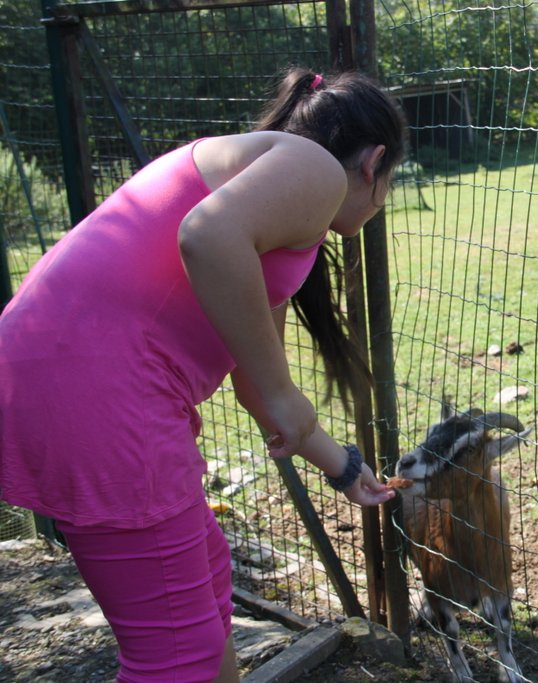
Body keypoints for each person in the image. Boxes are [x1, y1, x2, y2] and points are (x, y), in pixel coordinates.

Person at [0, 67, 408, 682]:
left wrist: (346, 469)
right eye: (393, 179)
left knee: (205, 596)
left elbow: (253, 382)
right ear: (374, 162)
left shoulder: (261, 199)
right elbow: (206, 234)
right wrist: (281, 388)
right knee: (177, 656)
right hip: (102, 399)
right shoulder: (313, 173)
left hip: (58, 377)